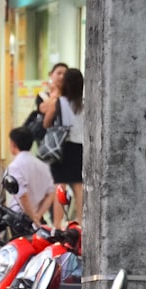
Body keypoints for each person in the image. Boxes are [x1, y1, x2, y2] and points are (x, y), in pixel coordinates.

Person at [41, 67, 84, 225]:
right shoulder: (85, 103)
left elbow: (46, 123)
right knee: (79, 186)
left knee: (60, 185)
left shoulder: (60, 102)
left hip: (63, 148)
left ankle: (57, 224)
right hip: (80, 147)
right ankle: (81, 221)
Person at [5, 127, 55, 225]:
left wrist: (33, 218)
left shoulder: (14, 166)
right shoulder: (43, 166)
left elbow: (22, 196)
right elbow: (50, 194)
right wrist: (38, 215)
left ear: (13, 144)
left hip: (19, 219)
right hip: (38, 218)